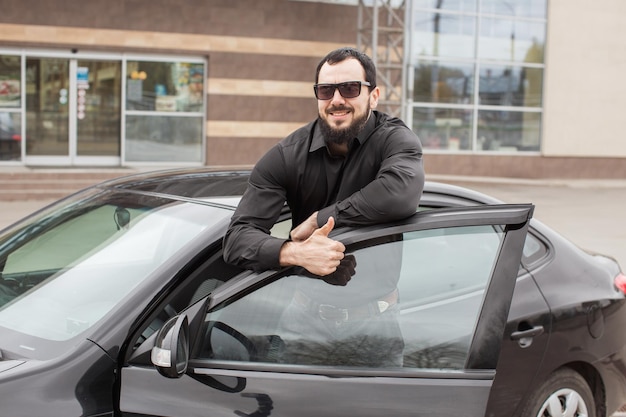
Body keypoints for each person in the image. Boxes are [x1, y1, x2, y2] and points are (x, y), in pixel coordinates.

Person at [223, 47, 425, 277]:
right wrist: (295, 252)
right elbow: (236, 239)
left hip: (378, 308)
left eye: (350, 88)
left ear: (374, 97)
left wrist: (319, 219)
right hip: (303, 303)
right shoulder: (285, 156)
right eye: (326, 90)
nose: (336, 100)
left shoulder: (395, 140)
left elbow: (398, 193)